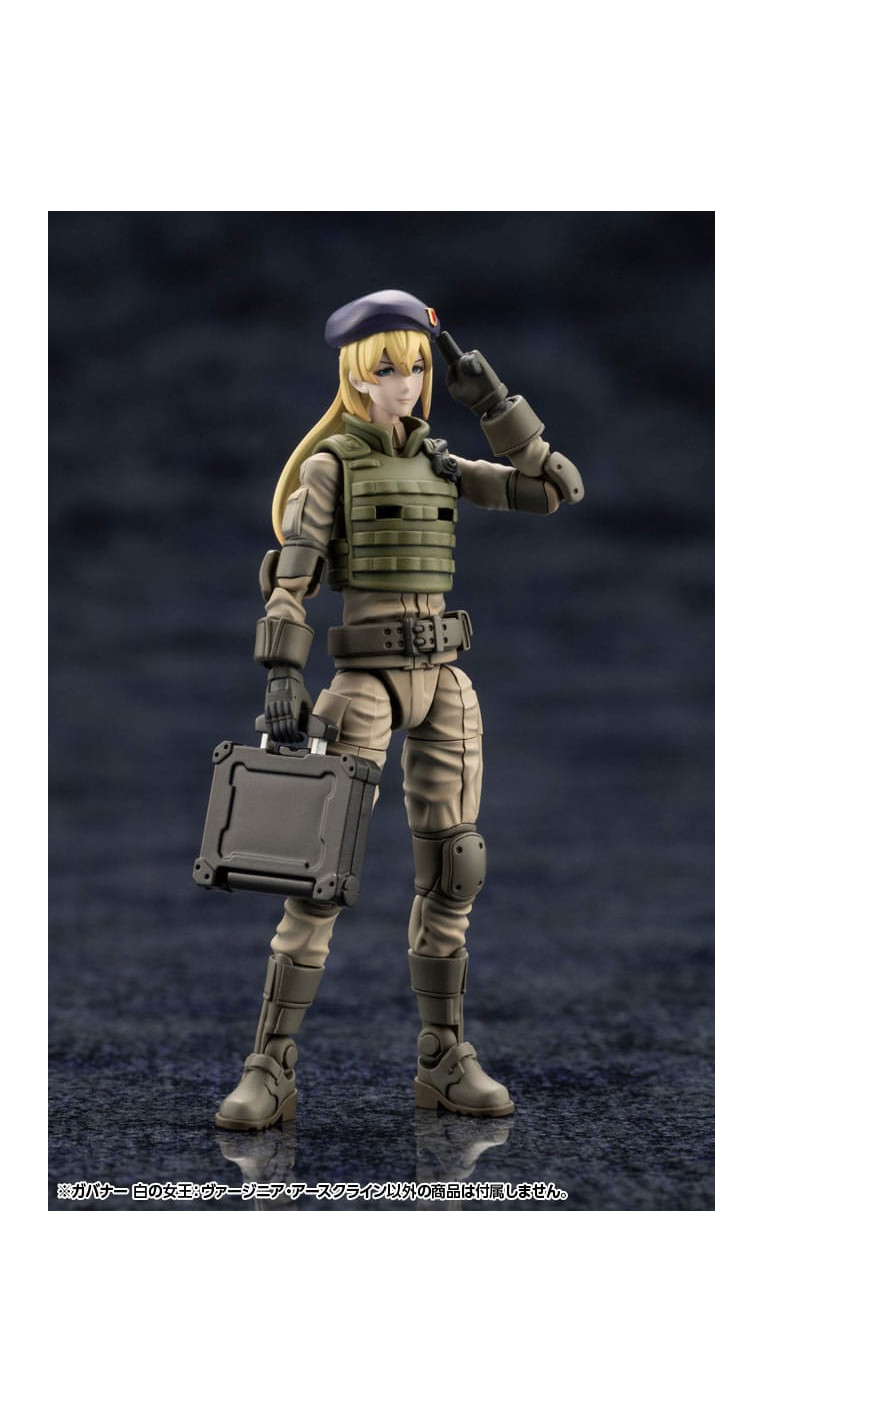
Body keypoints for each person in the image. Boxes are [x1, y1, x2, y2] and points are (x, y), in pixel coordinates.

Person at [215, 290, 584, 1131]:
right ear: (356, 376)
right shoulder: (331, 467)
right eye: (389, 369)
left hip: (444, 679)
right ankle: (270, 1065)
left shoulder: (444, 464)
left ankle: (443, 1057)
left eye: (416, 367)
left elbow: (553, 488)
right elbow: (292, 576)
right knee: (317, 877)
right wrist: (282, 671)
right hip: (364, 683)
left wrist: (492, 401)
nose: (407, 383)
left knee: (456, 871)